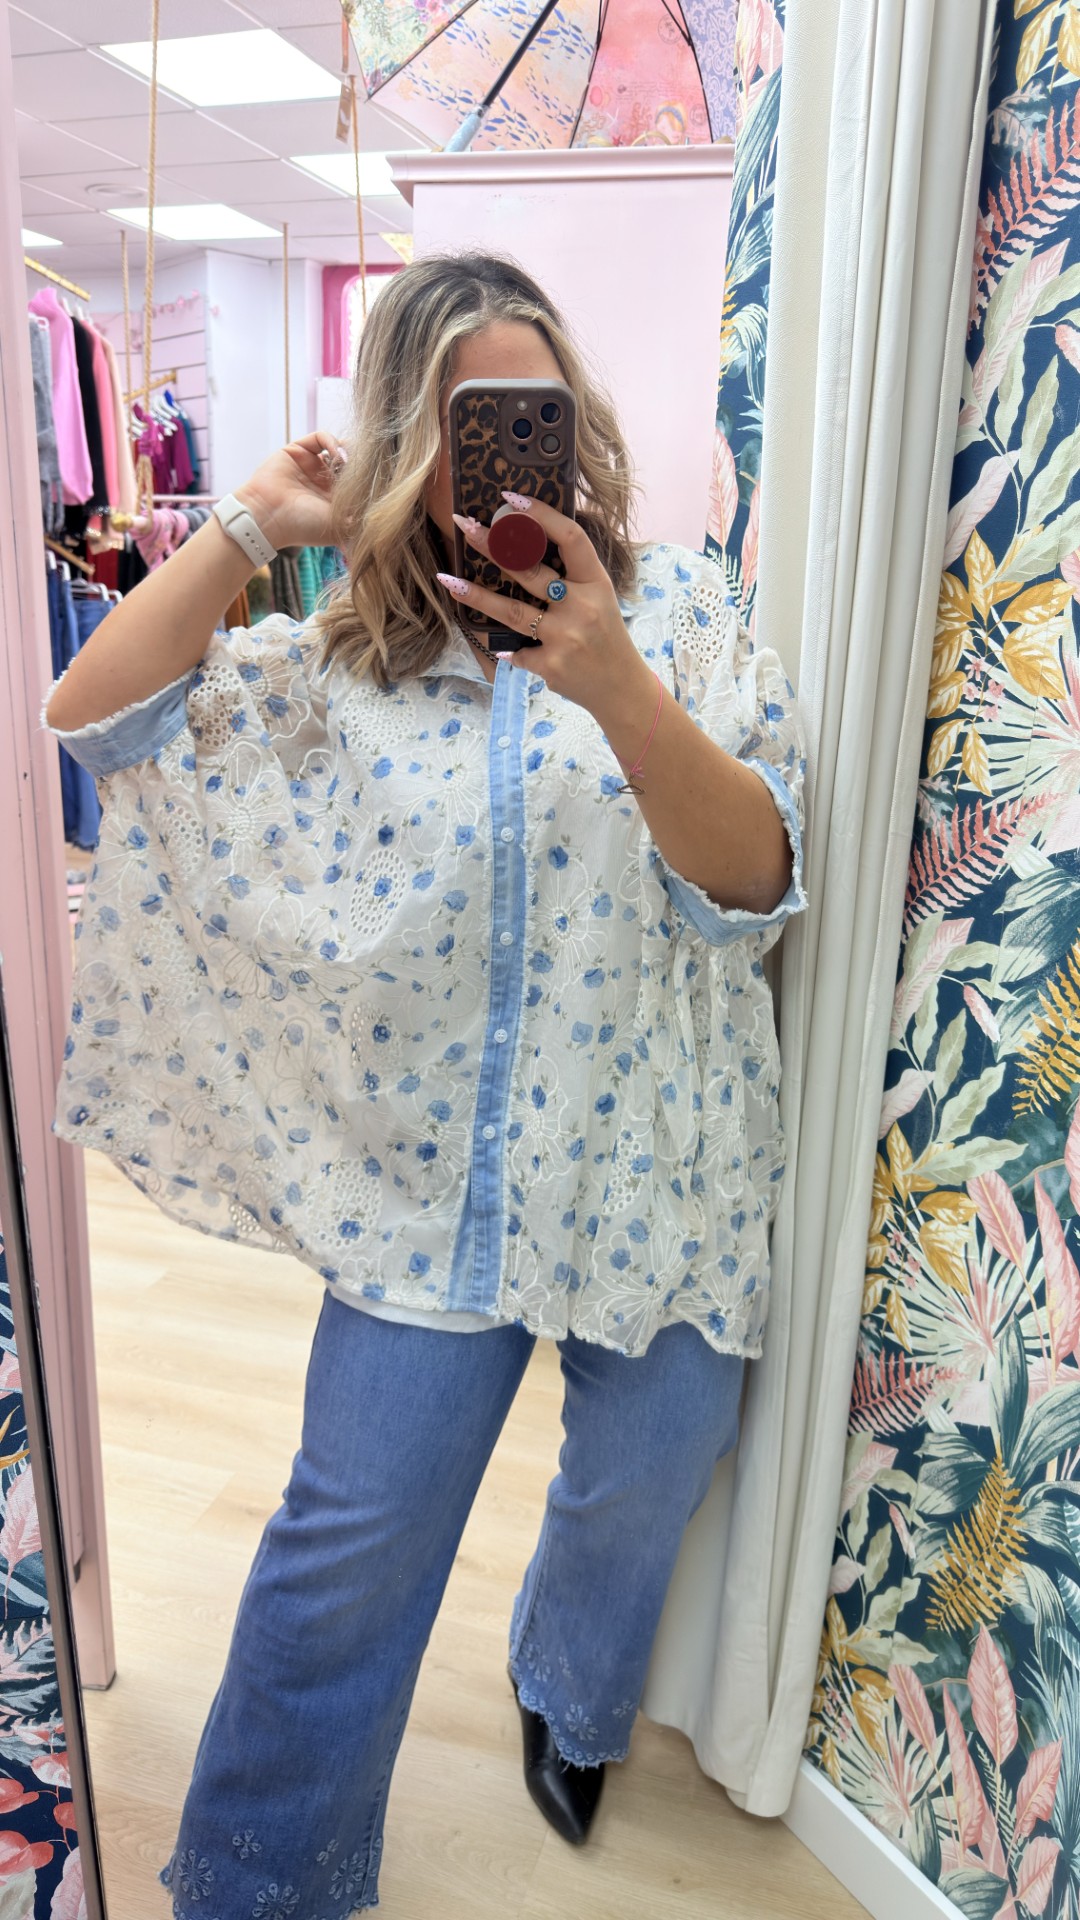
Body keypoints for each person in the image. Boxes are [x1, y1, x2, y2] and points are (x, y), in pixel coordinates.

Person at [45, 252, 806, 1919]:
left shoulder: (683, 618)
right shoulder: (341, 667)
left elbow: (754, 882)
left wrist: (615, 682)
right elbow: (91, 721)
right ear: (408, 443)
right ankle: (259, 1888)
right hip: (426, 1196)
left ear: (578, 423)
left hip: (655, 1163)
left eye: (535, 414)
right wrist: (254, 522)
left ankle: (567, 1684)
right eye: (469, 426)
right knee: (349, 1548)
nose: (510, 460)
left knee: (651, 1471)